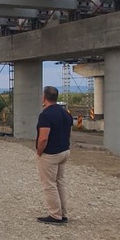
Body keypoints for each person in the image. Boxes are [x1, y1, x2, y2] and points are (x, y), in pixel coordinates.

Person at [36, 85, 73, 224]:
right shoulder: (66, 113)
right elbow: (69, 133)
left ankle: (55, 215)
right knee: (60, 182)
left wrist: (39, 152)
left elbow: (43, 137)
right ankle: (63, 213)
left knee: (49, 184)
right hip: (64, 151)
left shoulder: (45, 115)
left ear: (44, 97)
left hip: (50, 154)